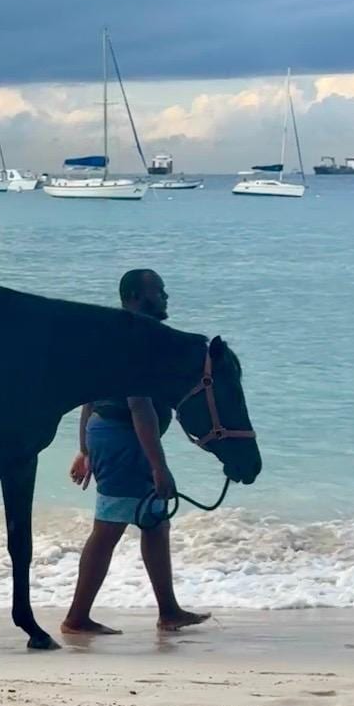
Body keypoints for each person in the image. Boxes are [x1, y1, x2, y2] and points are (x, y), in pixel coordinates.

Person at [61, 268, 210, 636]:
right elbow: (139, 405)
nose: (165, 297)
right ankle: (77, 618)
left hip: (112, 436)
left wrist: (84, 449)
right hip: (124, 438)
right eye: (158, 291)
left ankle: (169, 610)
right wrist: (160, 468)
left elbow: (86, 398)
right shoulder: (135, 338)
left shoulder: (115, 331)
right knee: (109, 528)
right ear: (133, 297)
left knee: (155, 523)